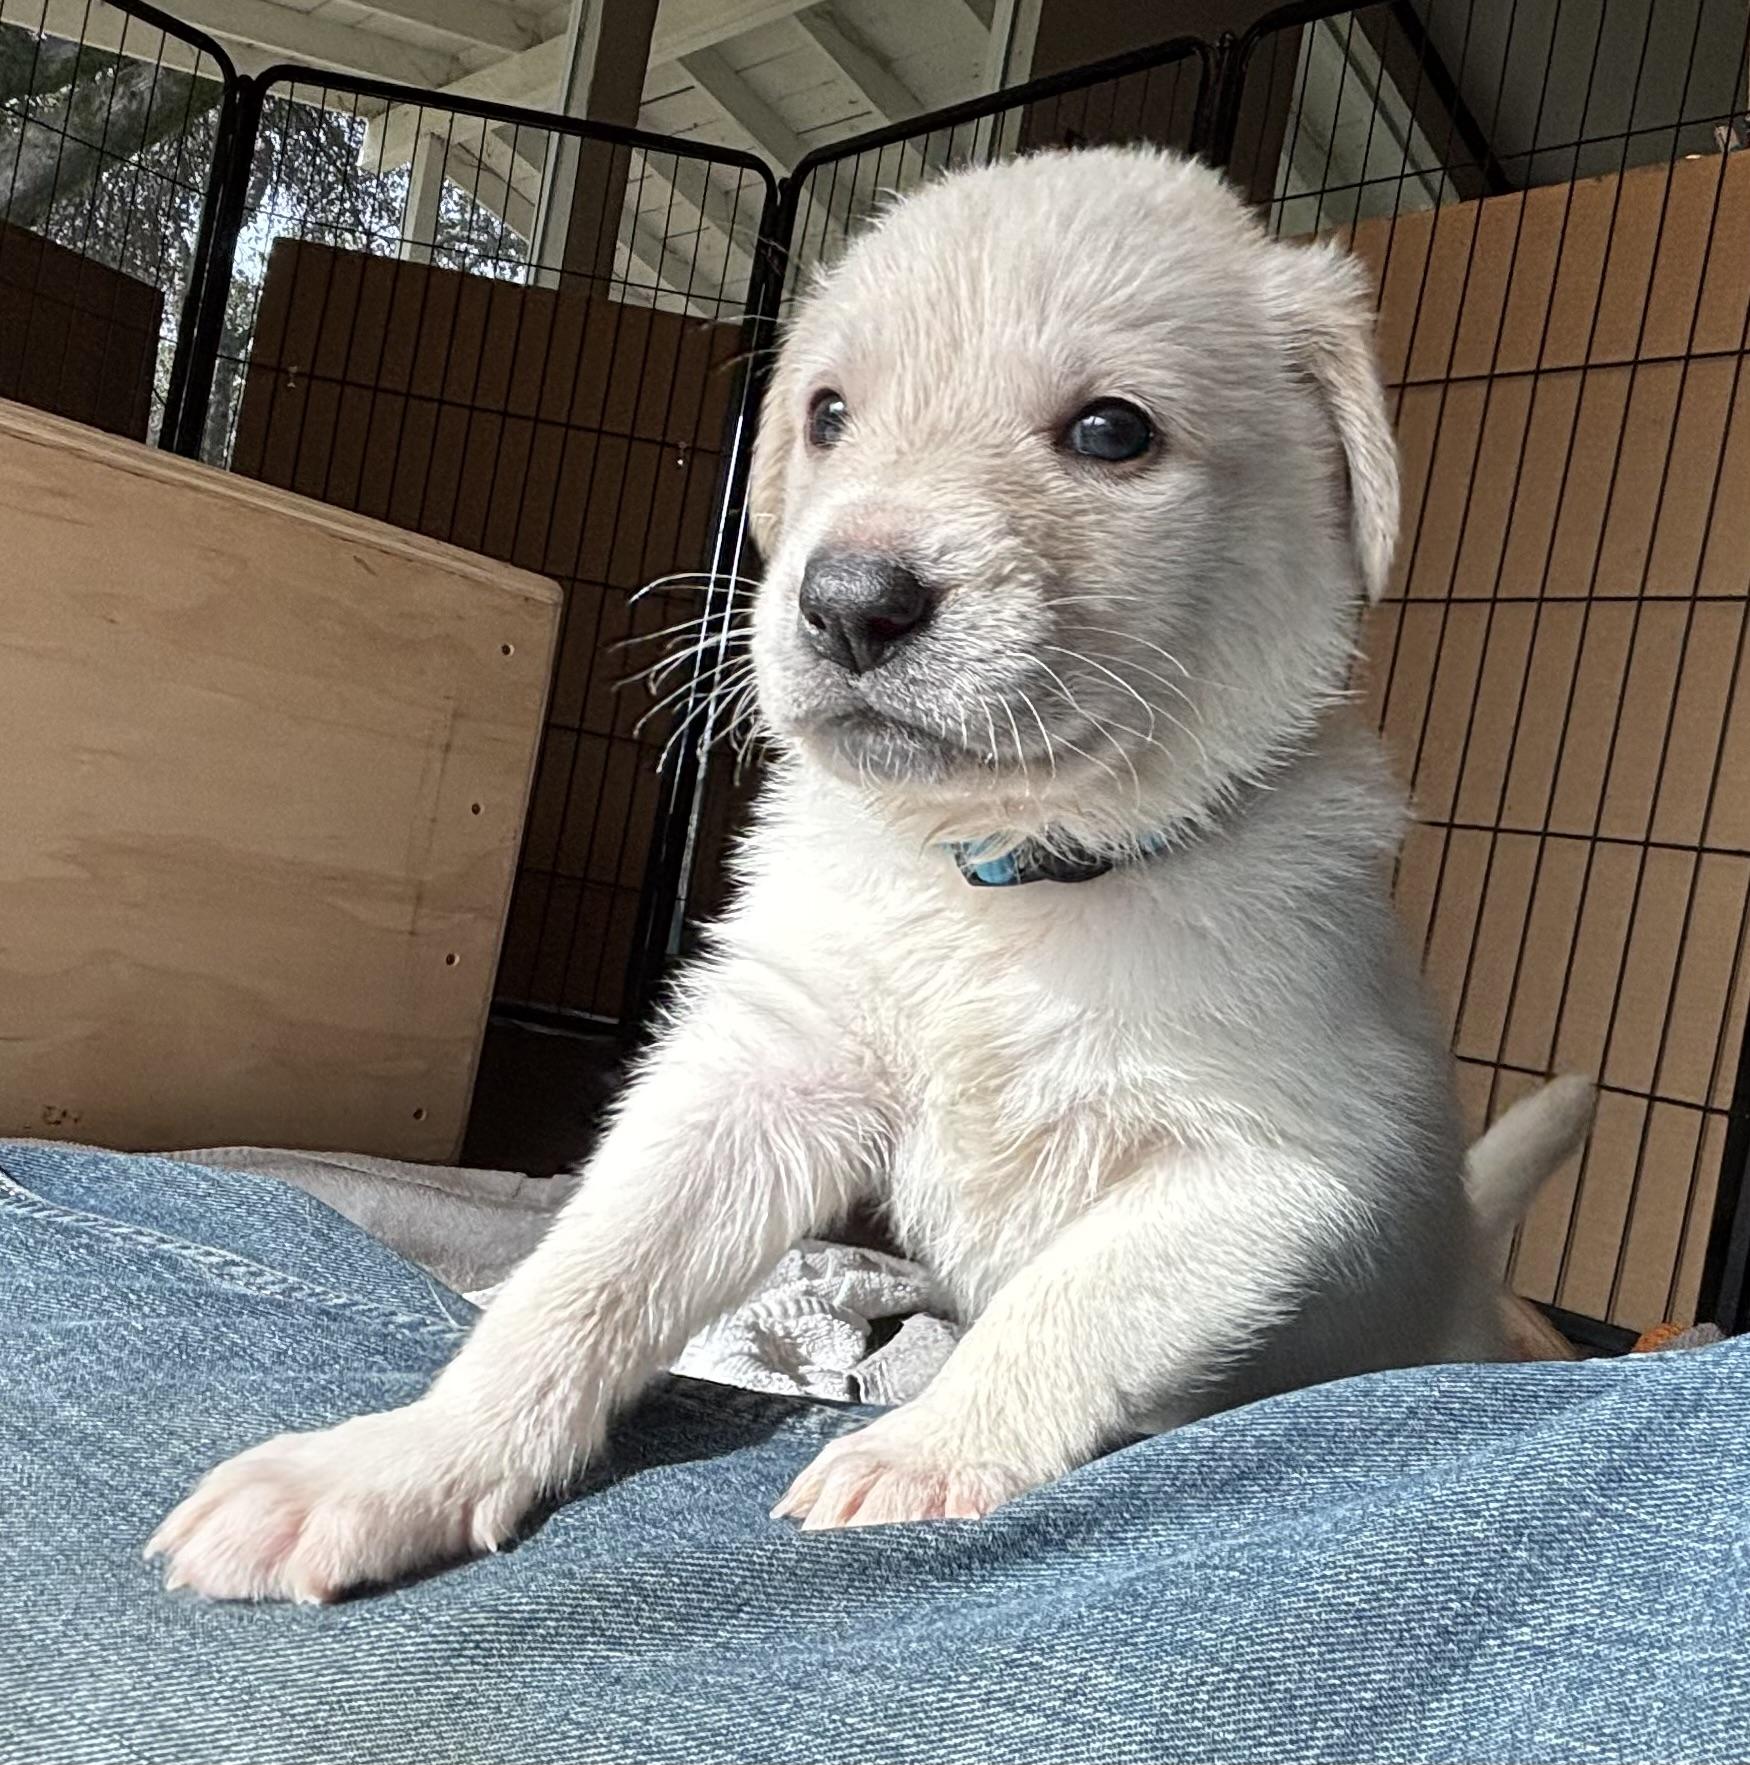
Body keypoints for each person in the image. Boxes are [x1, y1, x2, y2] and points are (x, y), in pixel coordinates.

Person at [3, 1138, 1743, 1764]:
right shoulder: (866, 849)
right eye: (824, 418)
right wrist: (486, 1412)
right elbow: (741, 1108)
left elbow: (1274, 1181)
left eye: (1107, 433)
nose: (857, 559)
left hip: (1365, 1399)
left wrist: (985, 1409)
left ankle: (1540, 1342)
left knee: (1472, 1391)